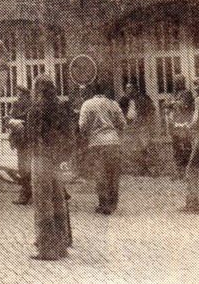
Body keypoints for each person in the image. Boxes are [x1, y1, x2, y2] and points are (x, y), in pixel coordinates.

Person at [26, 74, 72, 261]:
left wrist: (18, 128)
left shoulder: (35, 110)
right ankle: (62, 245)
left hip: (41, 159)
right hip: (56, 160)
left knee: (42, 202)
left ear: (37, 90)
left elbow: (31, 138)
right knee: (58, 200)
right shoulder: (61, 109)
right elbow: (69, 136)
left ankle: (46, 248)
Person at [78, 83, 126, 215]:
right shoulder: (113, 103)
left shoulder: (87, 105)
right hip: (114, 142)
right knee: (113, 174)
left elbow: (82, 126)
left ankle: (103, 204)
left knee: (100, 174)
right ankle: (112, 204)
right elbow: (122, 124)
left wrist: (88, 135)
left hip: (96, 143)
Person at [118, 82, 157, 175]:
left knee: (145, 146)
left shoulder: (143, 98)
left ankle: (150, 169)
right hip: (130, 126)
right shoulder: (123, 100)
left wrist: (145, 120)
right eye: (127, 89)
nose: (128, 91)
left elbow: (152, 110)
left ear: (135, 89)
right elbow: (119, 112)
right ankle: (139, 169)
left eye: (130, 88)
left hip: (142, 126)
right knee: (134, 149)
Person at [174, 77, 199, 213]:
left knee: (192, 170)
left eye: (197, 85)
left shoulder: (198, 100)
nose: (194, 88)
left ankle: (193, 204)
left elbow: (196, 120)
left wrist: (186, 126)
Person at [7, 84, 32, 205]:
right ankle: (28, 192)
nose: (18, 96)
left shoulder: (26, 105)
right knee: (26, 167)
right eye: (17, 94)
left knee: (24, 168)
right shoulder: (21, 104)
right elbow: (9, 118)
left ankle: (25, 195)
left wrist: (14, 120)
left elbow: (11, 118)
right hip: (24, 140)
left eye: (20, 94)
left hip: (26, 141)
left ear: (25, 95)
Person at [166, 74, 195, 178]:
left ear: (182, 82)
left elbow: (183, 105)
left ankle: (188, 173)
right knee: (176, 149)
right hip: (174, 125)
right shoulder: (173, 94)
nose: (176, 83)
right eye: (175, 81)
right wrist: (171, 104)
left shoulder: (187, 93)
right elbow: (167, 105)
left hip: (184, 125)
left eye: (178, 81)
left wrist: (172, 104)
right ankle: (178, 173)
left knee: (186, 148)